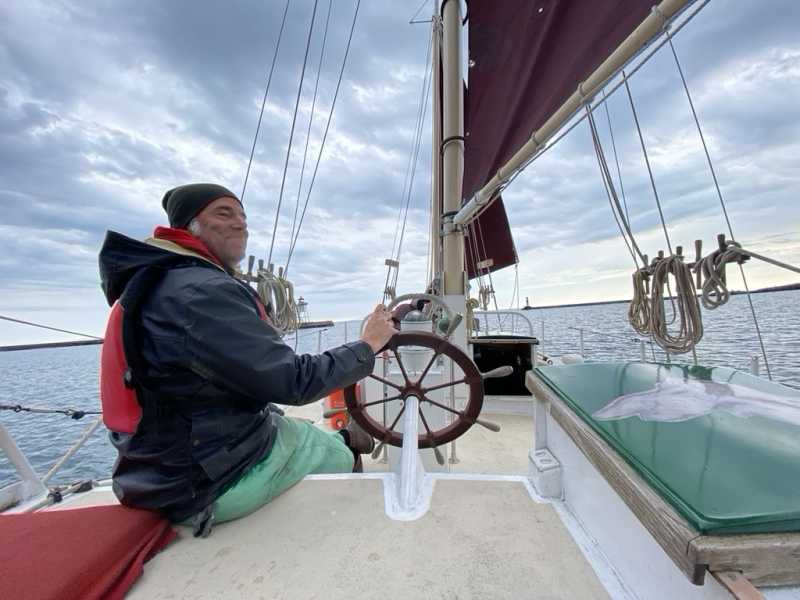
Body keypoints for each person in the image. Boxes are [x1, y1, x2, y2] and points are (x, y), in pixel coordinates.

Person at [98, 183, 396, 536]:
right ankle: (352, 516)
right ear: (186, 227)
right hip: (207, 484)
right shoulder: (200, 292)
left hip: (159, 474)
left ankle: (346, 437)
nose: (240, 224)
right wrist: (368, 345)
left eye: (242, 216)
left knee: (296, 429)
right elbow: (294, 382)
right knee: (332, 452)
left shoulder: (160, 282)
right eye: (223, 214)